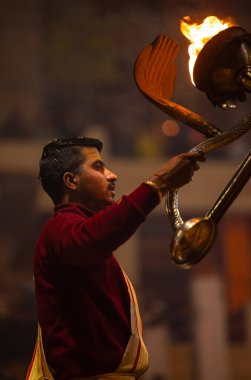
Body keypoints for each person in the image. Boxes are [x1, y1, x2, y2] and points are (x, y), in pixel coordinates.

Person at [26, 136, 204, 380]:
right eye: (98, 167)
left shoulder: (71, 233)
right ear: (71, 180)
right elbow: (93, 238)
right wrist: (158, 184)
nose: (112, 175)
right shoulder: (60, 227)